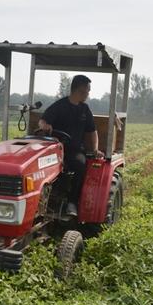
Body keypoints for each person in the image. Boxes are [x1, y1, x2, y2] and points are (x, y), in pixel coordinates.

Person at [38, 75, 102, 216]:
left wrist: (95, 148)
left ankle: (72, 202)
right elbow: (42, 121)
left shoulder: (85, 109)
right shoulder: (60, 106)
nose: (88, 94)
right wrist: (45, 125)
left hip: (74, 151)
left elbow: (93, 132)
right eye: (87, 90)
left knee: (80, 164)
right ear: (80, 90)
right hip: (55, 149)